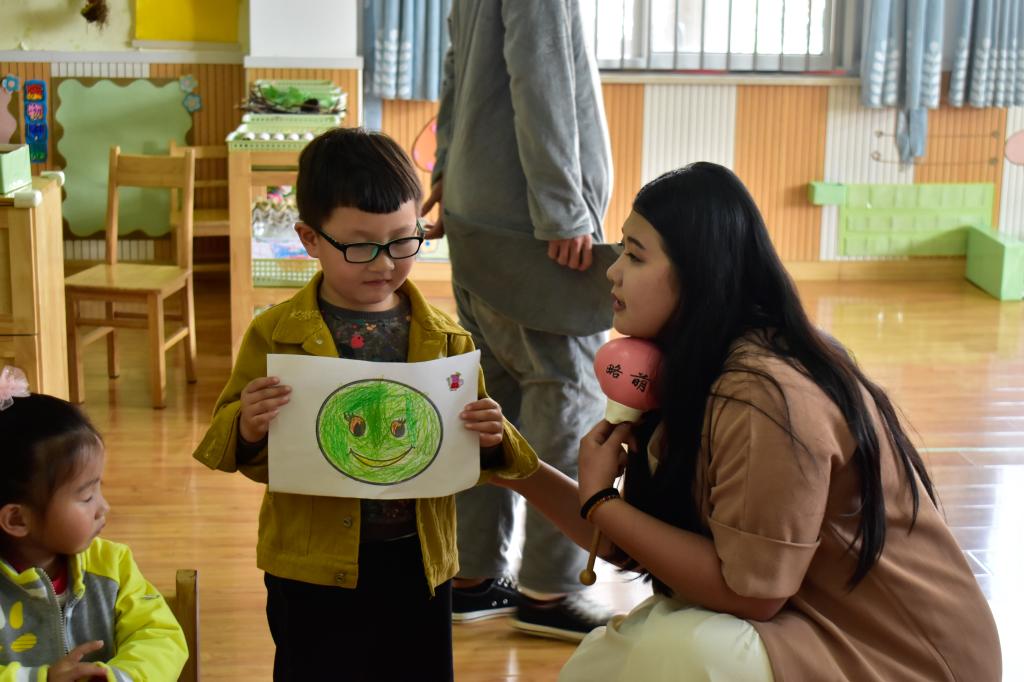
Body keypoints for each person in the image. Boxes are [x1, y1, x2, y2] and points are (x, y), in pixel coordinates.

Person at [498, 163, 1002, 681]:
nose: (613, 271)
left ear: (699, 274)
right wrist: (518, 469)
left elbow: (752, 595)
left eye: (635, 254)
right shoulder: (691, 364)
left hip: (903, 657)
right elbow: (645, 544)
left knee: (676, 648)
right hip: (814, 621)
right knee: (608, 661)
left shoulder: (762, 393)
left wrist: (602, 501)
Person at [192, 128, 538, 681]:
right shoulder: (276, 334)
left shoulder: (446, 337)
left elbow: (474, 454)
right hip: (311, 564)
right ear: (309, 238)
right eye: (360, 246)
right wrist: (249, 425)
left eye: (403, 241)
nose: (384, 263)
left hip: (418, 561)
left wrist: (491, 435)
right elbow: (229, 441)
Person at [422, 0, 617, 640]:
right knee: (567, 394)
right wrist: (563, 210)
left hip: (476, 211)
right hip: (529, 222)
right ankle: (548, 590)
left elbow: (455, 70)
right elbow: (542, 73)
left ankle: (472, 576)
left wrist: (445, 170)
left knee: (492, 399)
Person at [0, 366, 188, 681]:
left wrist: (118, 676)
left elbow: (160, 636)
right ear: (17, 519)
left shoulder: (112, 566)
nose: (103, 507)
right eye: (87, 497)